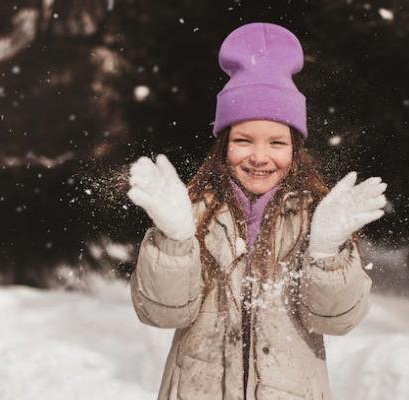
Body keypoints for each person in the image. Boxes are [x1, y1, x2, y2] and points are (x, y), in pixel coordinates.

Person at [127, 22, 387, 400]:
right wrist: (175, 241)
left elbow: (336, 319)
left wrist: (327, 253)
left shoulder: (316, 219)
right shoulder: (191, 212)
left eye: (277, 142)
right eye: (243, 140)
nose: (260, 157)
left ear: (295, 149)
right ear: (223, 146)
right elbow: (164, 314)